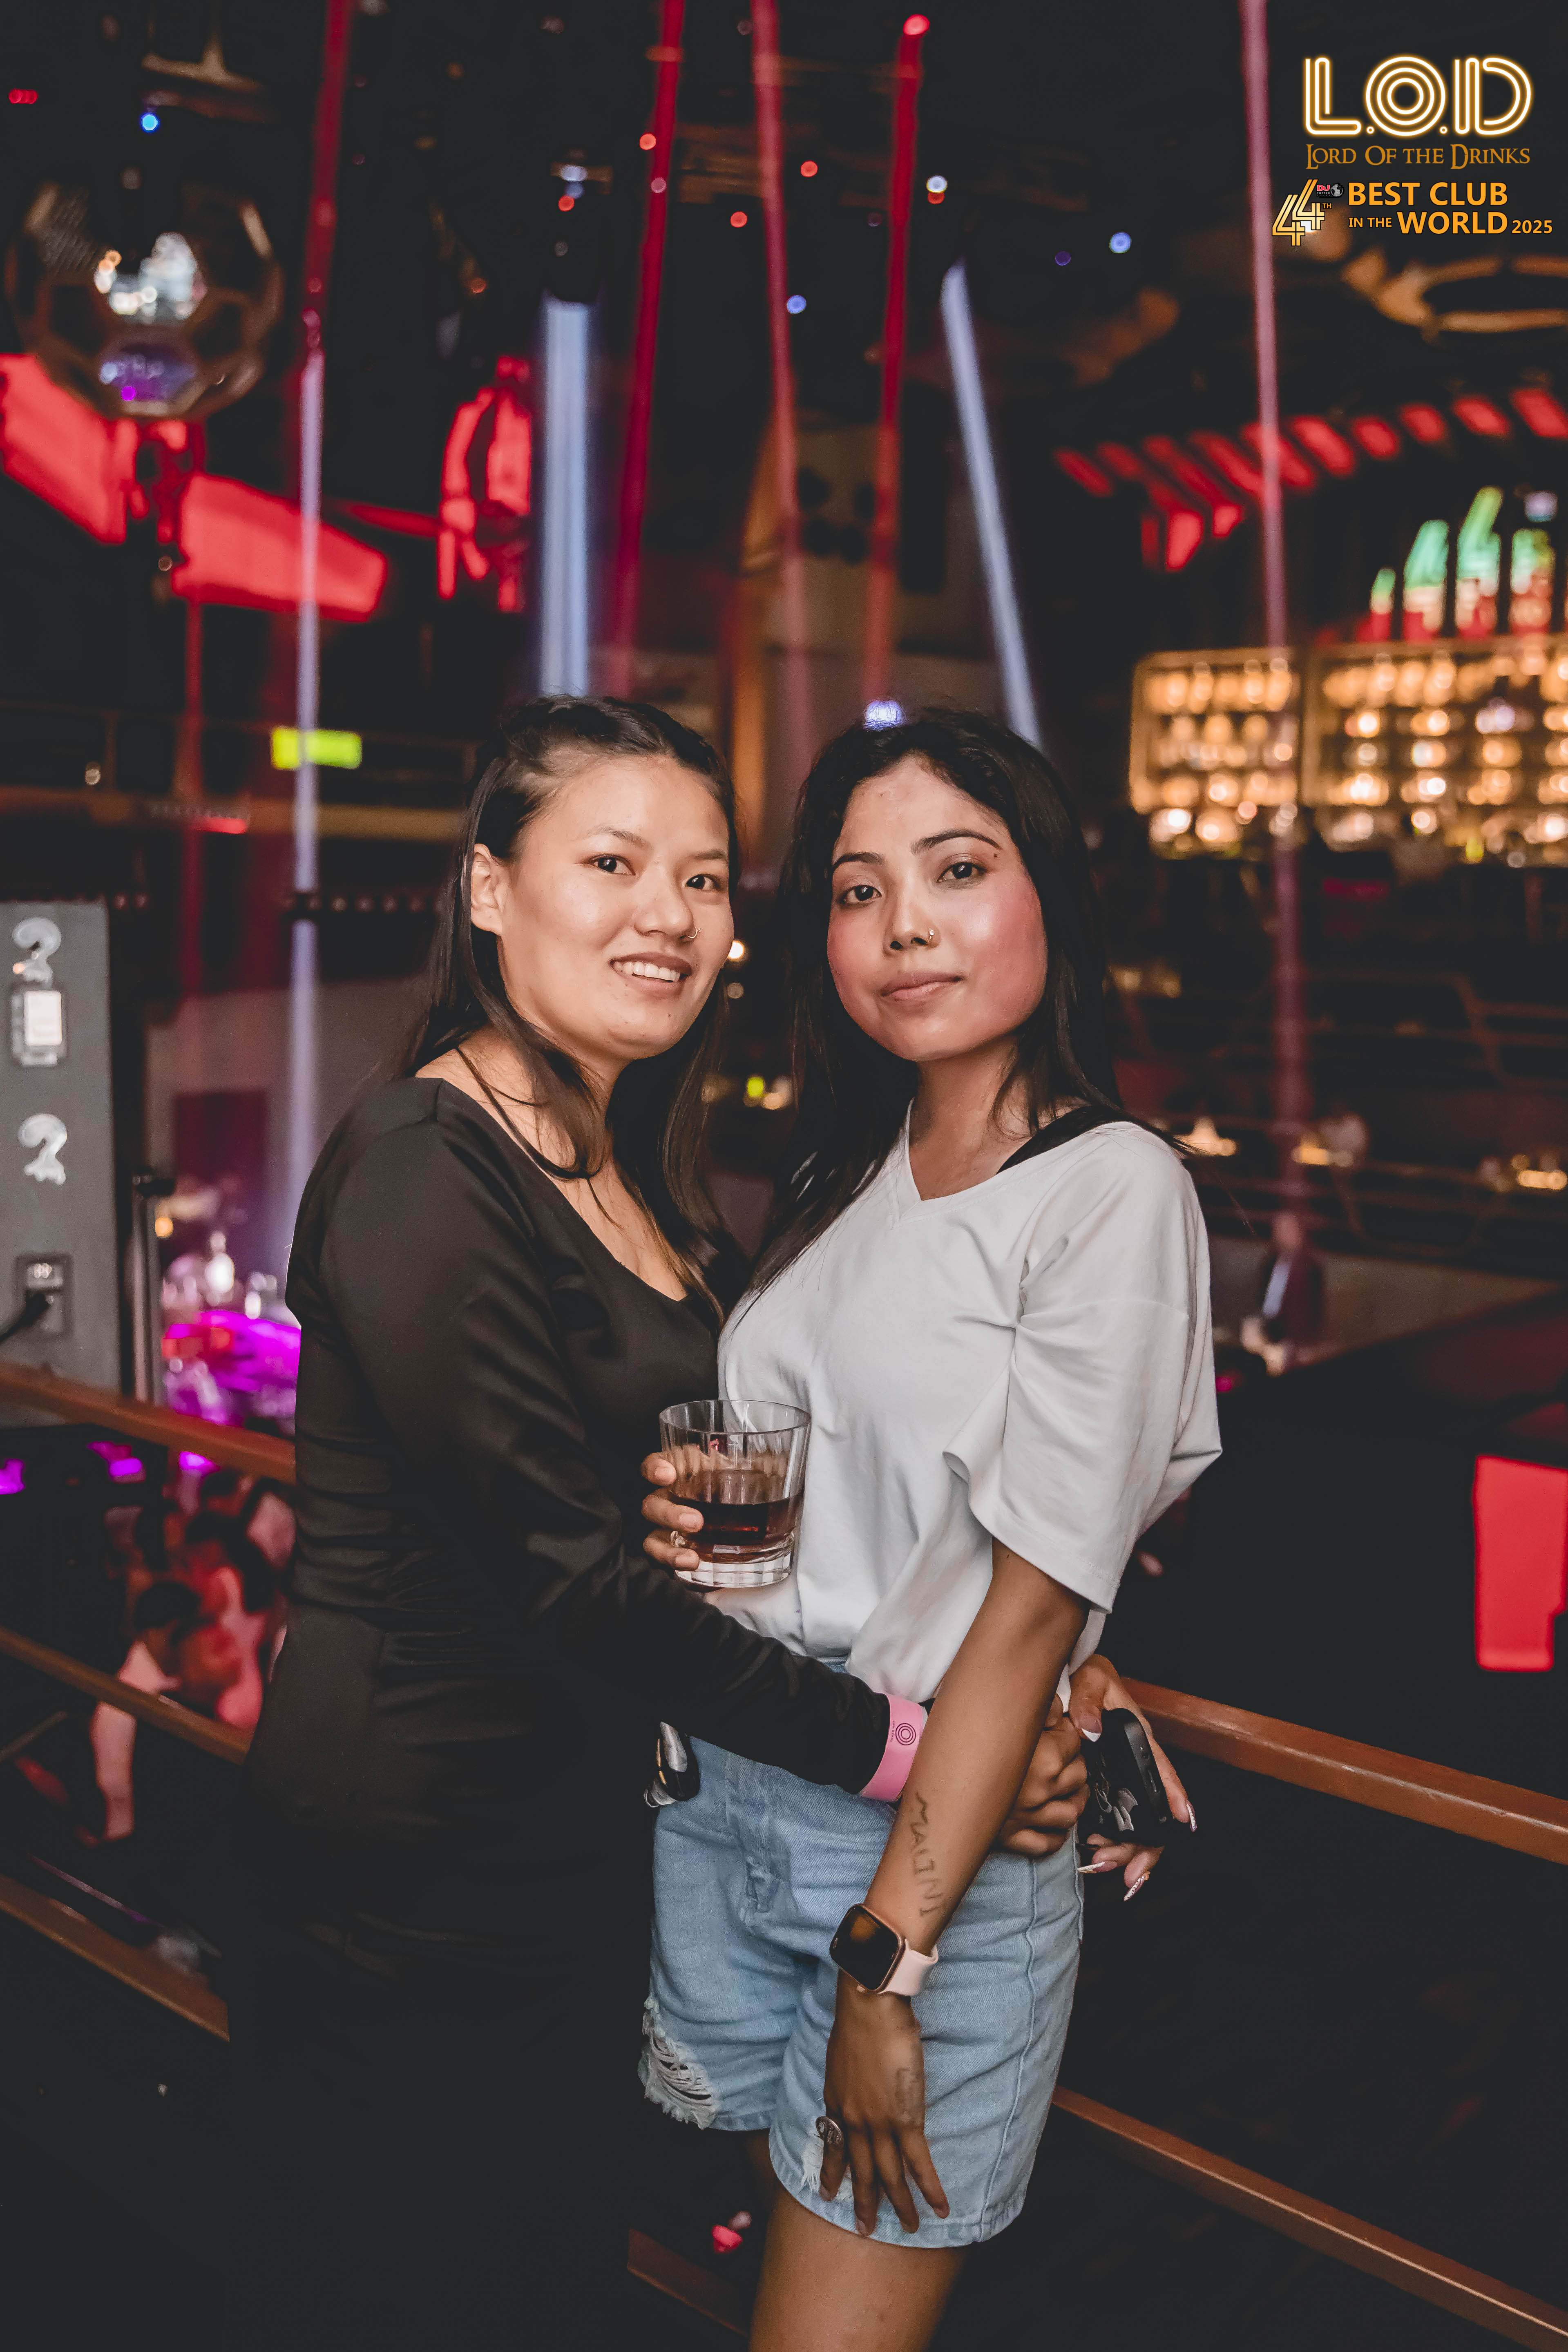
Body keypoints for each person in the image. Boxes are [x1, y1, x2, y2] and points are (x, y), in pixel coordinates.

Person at [232, 699, 1085, 2352]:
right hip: (413, 1849)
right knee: (410, 2285)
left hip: (579, 1831)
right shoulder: (423, 1158)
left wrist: (1055, 1665)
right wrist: (926, 1749)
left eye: (701, 878)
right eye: (612, 863)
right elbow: (566, 1575)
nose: (668, 915)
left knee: (539, 2273)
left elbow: (757, 1474)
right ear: (491, 889)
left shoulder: (628, 1166)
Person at [639, 710, 1218, 2352]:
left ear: (1049, 895)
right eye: (855, 888)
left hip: (915, 1870)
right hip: (733, 1793)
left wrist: (884, 1966)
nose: (901, 925)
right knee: (739, 2265)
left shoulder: (1110, 1188)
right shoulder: (850, 1161)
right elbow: (868, 1479)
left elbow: (1030, 1600)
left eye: (955, 869)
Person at [90, 1578, 201, 1840]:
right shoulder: (126, 1703)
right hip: (137, 1834)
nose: (193, 1641)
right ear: (154, 1633)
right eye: (183, 1632)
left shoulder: (178, 1680)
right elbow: (116, 1789)